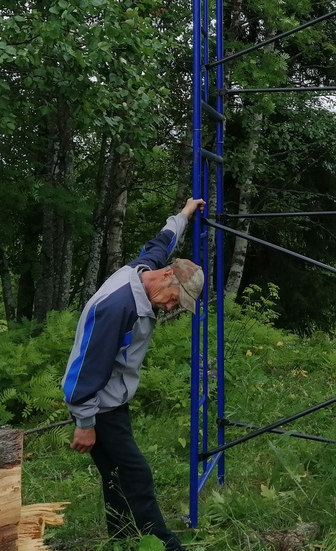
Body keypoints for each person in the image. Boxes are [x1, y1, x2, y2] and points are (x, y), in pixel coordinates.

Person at [63, 198, 207, 550]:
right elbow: (86, 366)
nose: (172, 307)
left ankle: (123, 539)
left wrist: (185, 213)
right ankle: (164, 545)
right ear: (168, 276)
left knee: (115, 476)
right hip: (99, 406)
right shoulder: (119, 308)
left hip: (111, 400)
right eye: (175, 300)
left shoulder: (146, 269)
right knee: (135, 474)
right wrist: (84, 422)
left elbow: (163, 241)